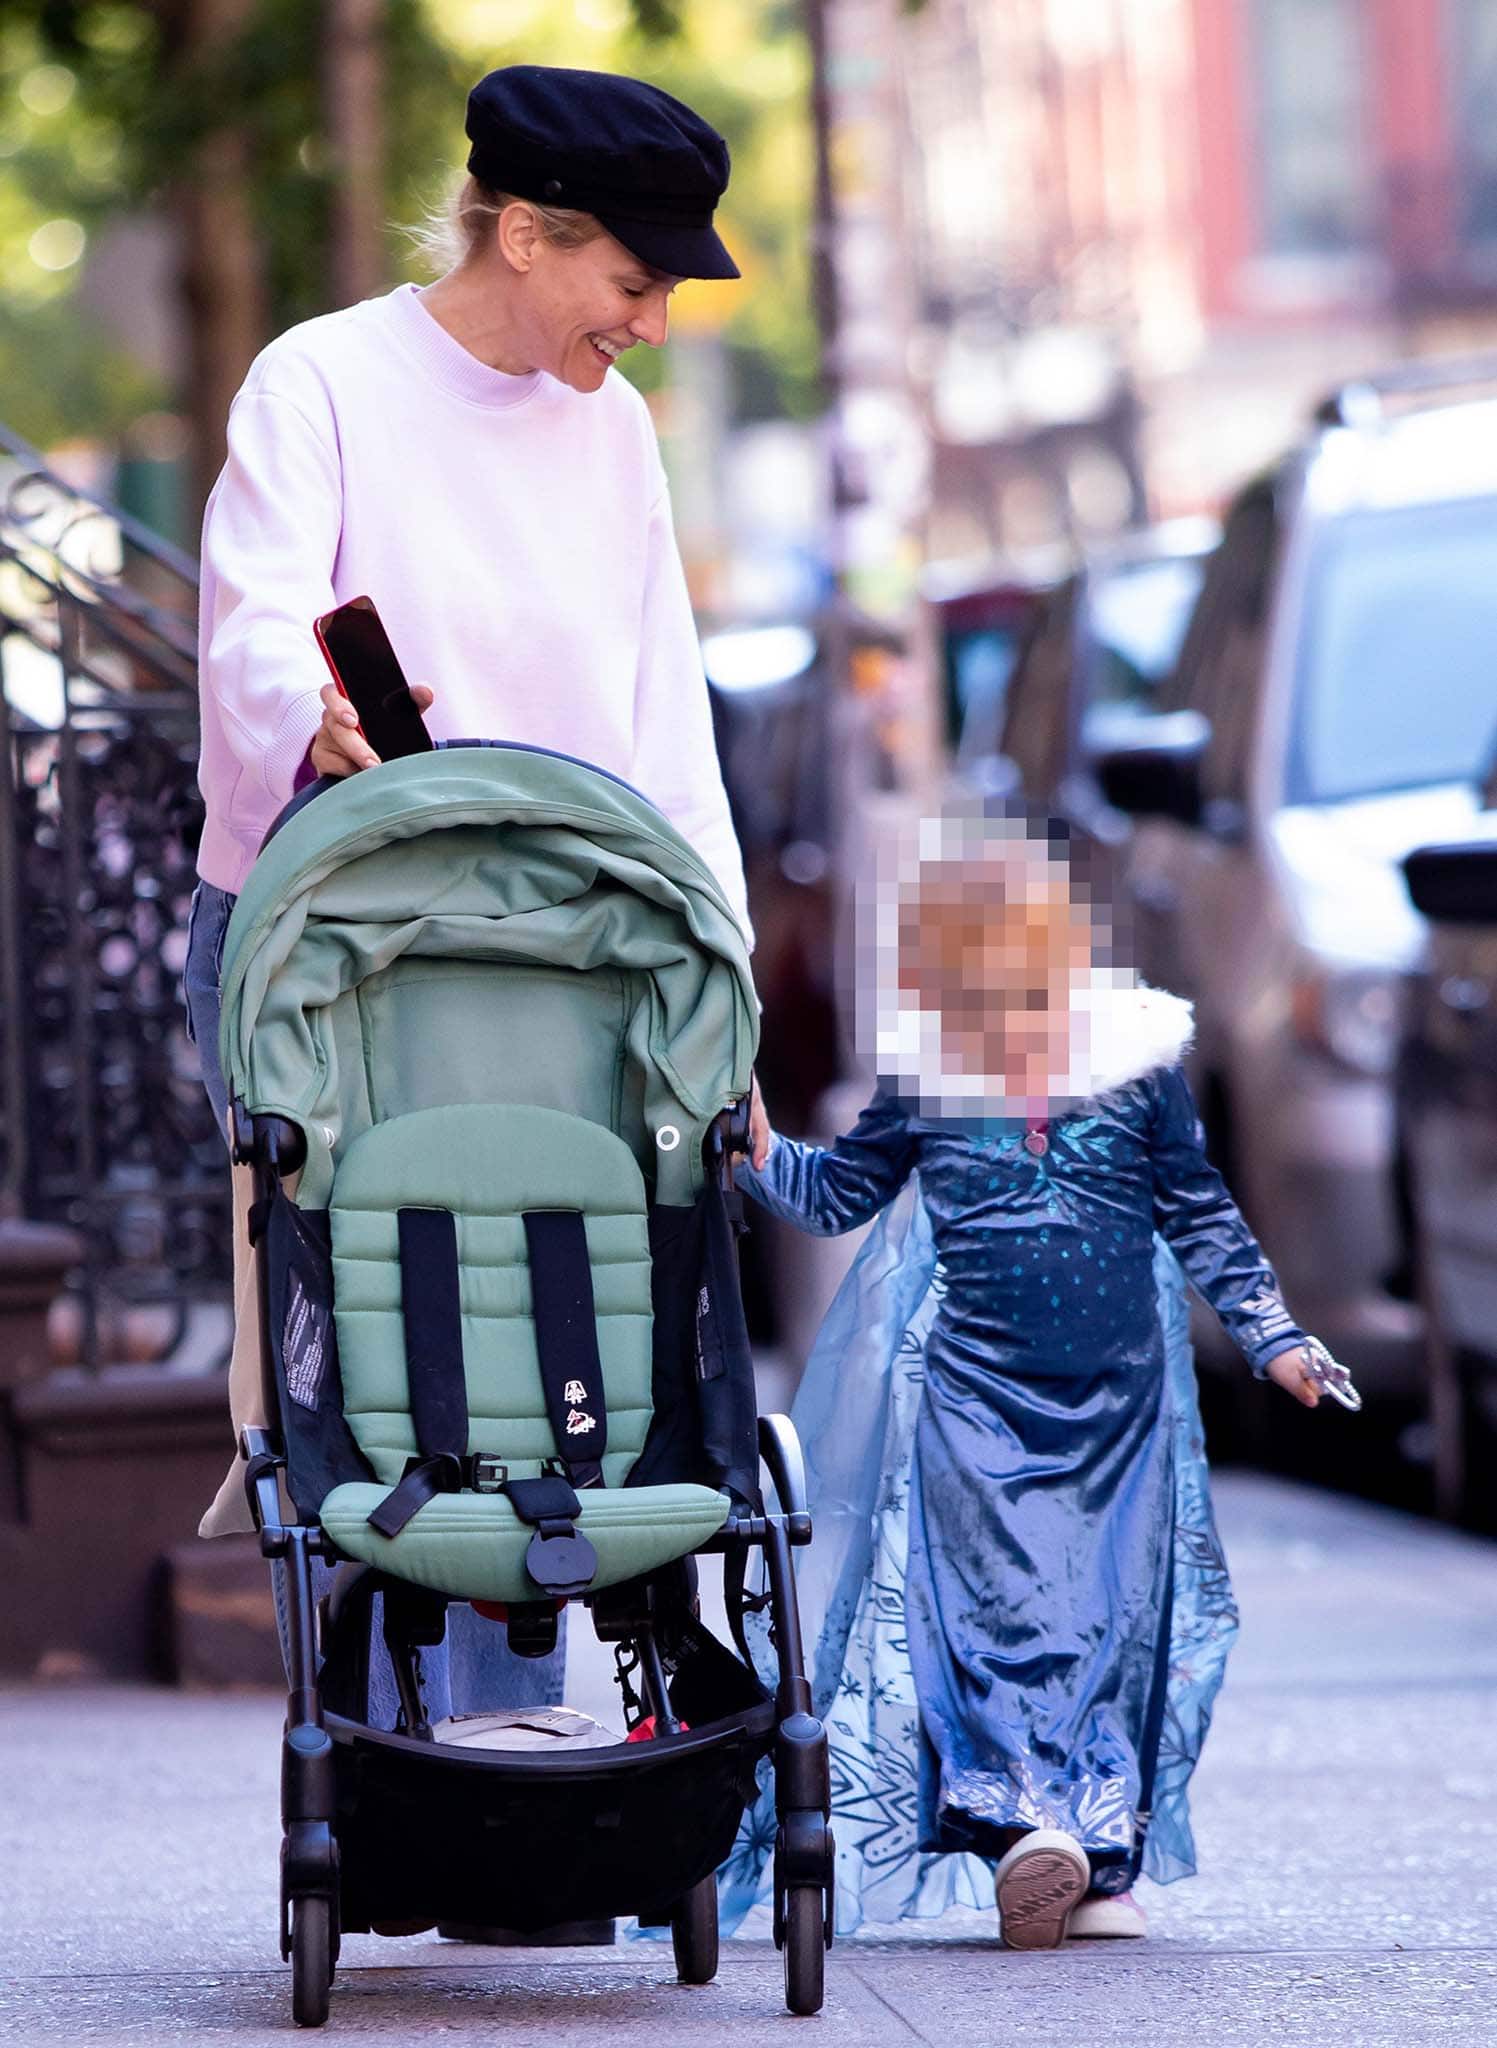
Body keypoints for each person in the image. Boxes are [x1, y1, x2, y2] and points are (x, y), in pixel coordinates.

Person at [183, 65, 767, 1730]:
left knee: (535, 1290)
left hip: (554, 945)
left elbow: (669, 727)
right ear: (522, 233)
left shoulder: (619, 432)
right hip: (334, 927)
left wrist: (711, 980)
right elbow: (248, 620)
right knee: (370, 1321)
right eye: (632, 282)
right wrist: (301, 698)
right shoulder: (325, 382)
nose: (650, 323)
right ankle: (384, 1749)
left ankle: (498, 1746)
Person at [724, 812, 1333, 1948]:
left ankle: (1095, 1856)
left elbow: (1198, 1209)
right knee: (998, 1619)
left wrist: (1271, 1332)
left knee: (1108, 1623)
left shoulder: (1139, 1068)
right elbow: (838, 1193)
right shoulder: (929, 1080)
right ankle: (1025, 1835)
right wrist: (759, 1150)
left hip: (1119, 1413)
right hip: (976, 1405)